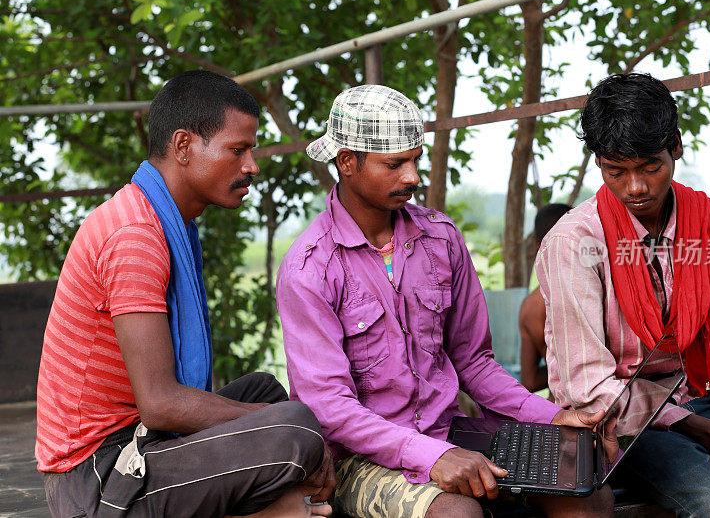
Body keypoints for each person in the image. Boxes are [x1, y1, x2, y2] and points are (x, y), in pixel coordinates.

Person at [276, 84, 615, 518]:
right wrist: (429, 456)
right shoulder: (309, 267)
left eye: (415, 159)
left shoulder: (441, 238)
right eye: (395, 163)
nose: (413, 176)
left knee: (585, 487)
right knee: (457, 515)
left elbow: (473, 362)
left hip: (449, 430)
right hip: (359, 458)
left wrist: (550, 417)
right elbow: (329, 407)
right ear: (347, 163)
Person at [35, 70, 334, 518]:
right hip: (96, 480)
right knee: (296, 427)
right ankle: (264, 511)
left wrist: (265, 418)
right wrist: (278, 428)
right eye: (238, 150)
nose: (252, 165)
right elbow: (160, 405)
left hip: (136, 442)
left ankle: (269, 506)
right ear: (183, 146)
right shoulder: (135, 234)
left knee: (269, 393)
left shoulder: (165, 222)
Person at [535, 72, 710, 517]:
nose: (635, 187)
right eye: (616, 171)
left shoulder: (707, 223)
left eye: (650, 166)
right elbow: (591, 389)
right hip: (622, 423)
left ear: (675, 147)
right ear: (598, 163)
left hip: (697, 398)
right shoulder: (573, 245)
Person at [519, 203, 571, 394]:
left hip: (559, 411)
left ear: (536, 244)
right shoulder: (597, 291)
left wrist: (562, 373)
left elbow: (530, 381)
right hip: (603, 409)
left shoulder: (530, 306)